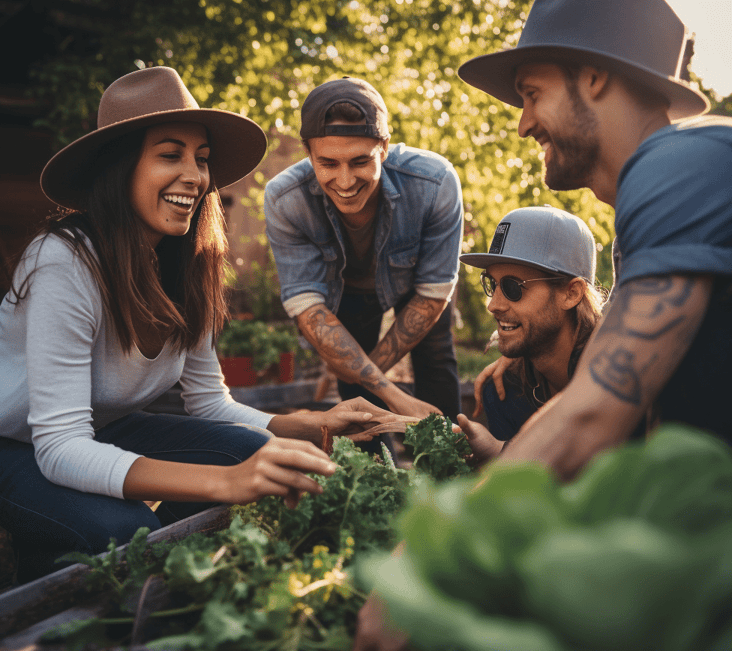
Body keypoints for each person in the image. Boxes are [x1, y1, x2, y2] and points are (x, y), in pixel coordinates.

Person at [353, 0, 731, 645]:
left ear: (594, 79)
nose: (523, 122)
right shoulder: (665, 194)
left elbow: (592, 412)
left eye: (532, 93)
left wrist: (423, 567)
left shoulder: (677, 165)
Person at [0, 67, 393, 583]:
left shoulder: (186, 263)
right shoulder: (63, 262)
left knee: (261, 455)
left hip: (100, 428)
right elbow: (58, 447)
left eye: (202, 159)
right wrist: (225, 483)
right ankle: (66, 566)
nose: (196, 176)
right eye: (170, 155)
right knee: (125, 534)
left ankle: (133, 572)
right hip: (1, 440)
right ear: (119, 168)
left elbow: (210, 404)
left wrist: (311, 422)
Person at [264, 77, 464, 434]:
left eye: (360, 162)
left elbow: (434, 293)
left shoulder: (434, 183)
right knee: (354, 385)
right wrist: (385, 390)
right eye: (328, 163)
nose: (344, 181)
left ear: (384, 148)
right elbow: (309, 309)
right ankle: (376, 477)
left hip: (417, 286)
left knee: (435, 359)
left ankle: (450, 471)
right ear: (308, 152)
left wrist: (374, 378)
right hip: (346, 293)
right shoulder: (285, 200)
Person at [459, 206, 604, 445]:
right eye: (491, 284)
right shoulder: (505, 392)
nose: (493, 305)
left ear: (571, 293)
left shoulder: (617, 376)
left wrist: (500, 454)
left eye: (512, 287)